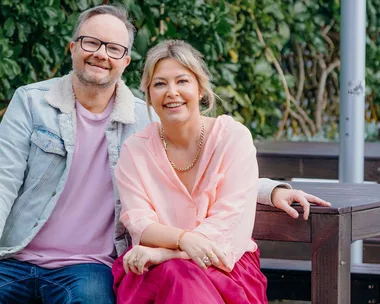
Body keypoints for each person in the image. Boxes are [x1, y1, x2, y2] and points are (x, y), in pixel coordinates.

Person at [0, 4, 329, 304]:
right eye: (91, 42)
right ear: (73, 47)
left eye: (114, 48)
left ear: (126, 61)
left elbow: (209, 160)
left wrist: (270, 190)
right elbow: (3, 181)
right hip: (15, 257)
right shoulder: (33, 103)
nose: (101, 54)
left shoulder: (142, 117)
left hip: (87, 267)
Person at [111, 40, 330, 304]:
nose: (172, 92)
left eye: (182, 81)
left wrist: (168, 253)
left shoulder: (232, 138)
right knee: (177, 276)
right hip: (151, 271)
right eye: (159, 84)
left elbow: (229, 224)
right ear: (148, 94)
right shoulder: (135, 150)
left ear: (201, 88)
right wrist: (180, 245)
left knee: (181, 277)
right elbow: (139, 222)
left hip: (227, 269)